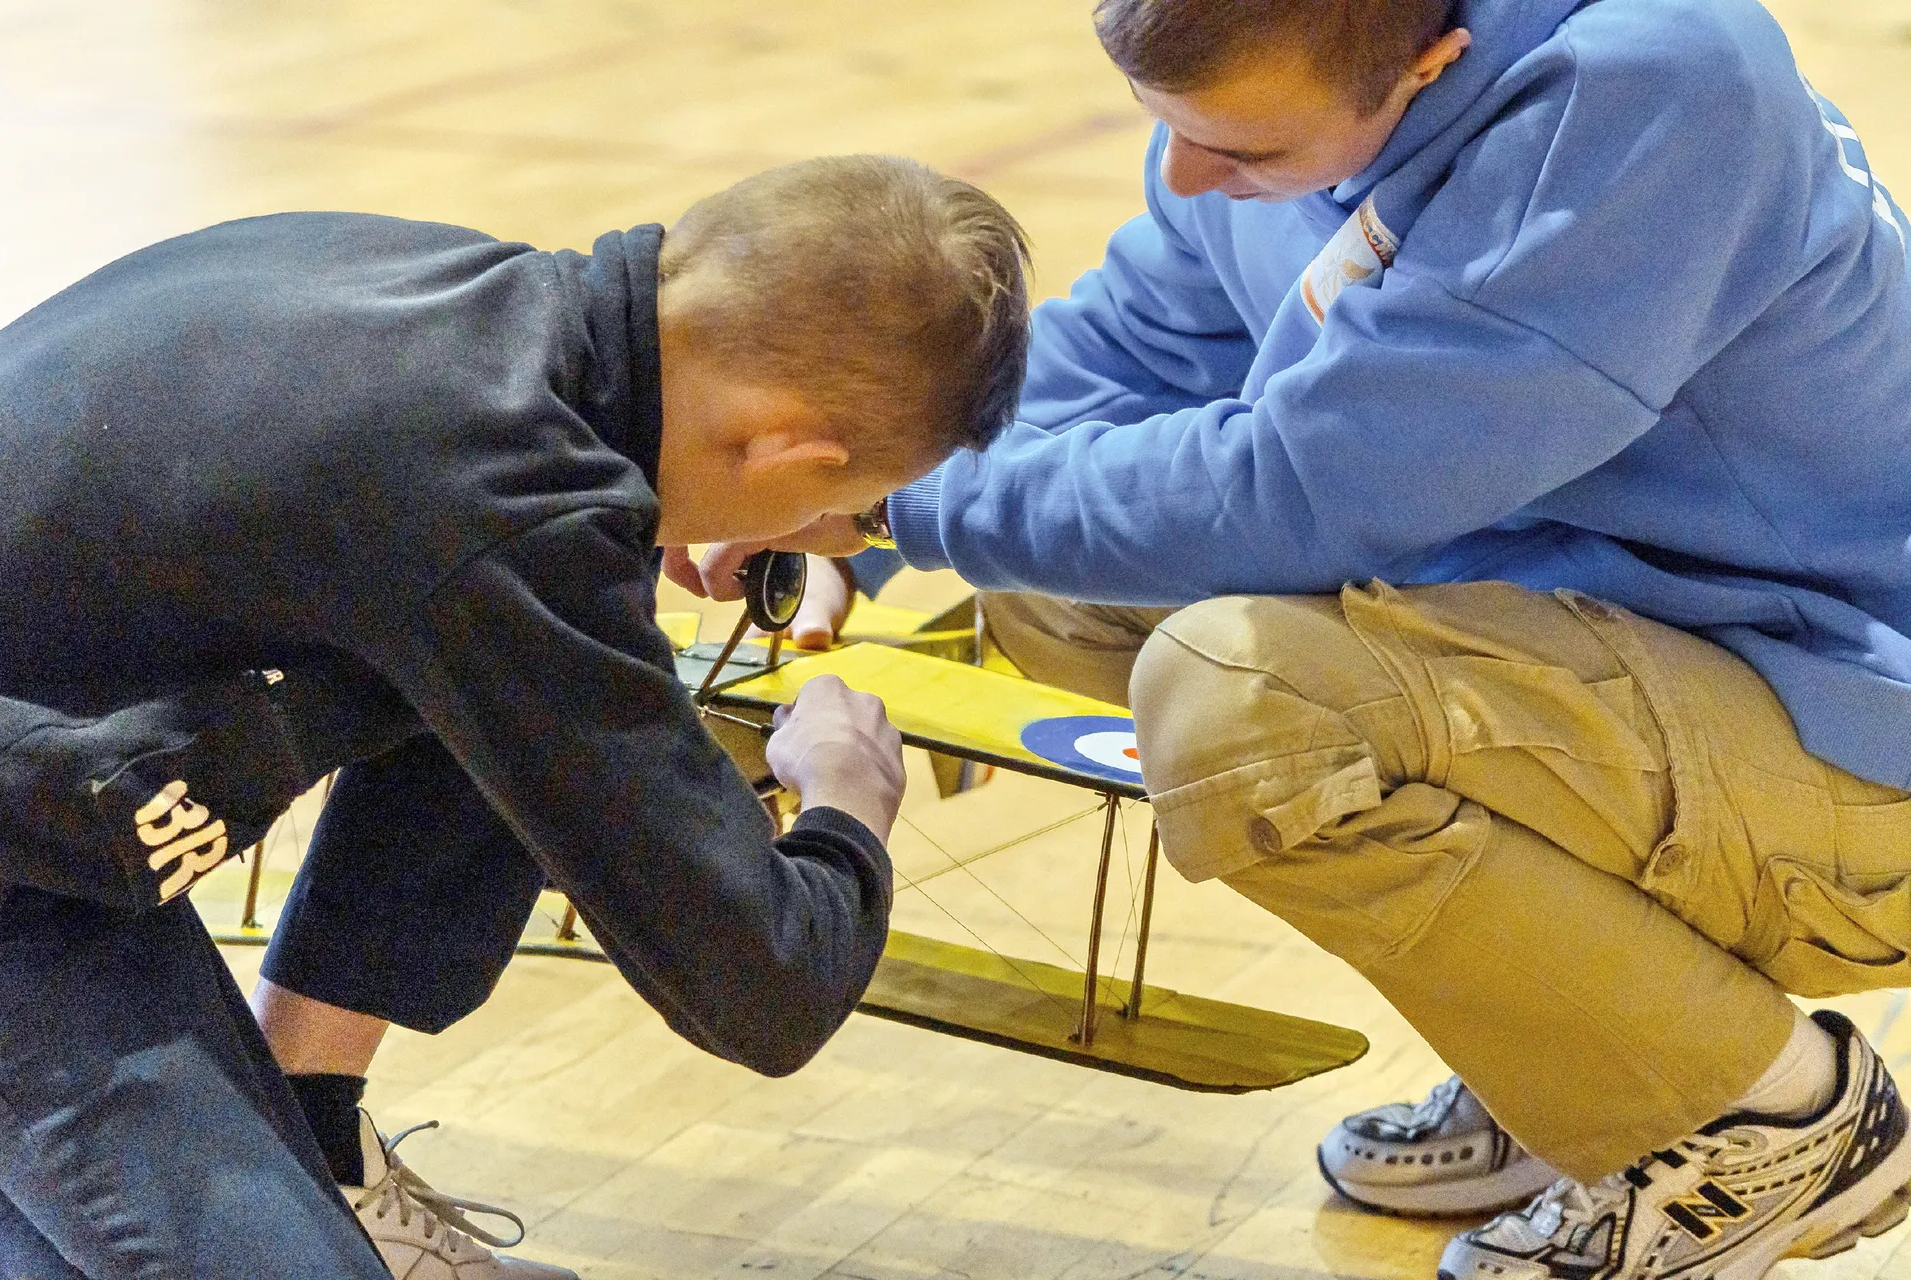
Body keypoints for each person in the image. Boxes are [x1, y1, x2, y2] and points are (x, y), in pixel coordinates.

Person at [676, 2, 1911, 1278]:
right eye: (1168, 126)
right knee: (1051, 585)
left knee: (1245, 703)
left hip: (1850, 725)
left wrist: (888, 500)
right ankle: (1590, 1059)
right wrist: (845, 503)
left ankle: (1766, 1114)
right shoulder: (1302, 80)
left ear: (1434, 66)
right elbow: (1115, 361)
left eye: (1247, 154)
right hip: (1632, 650)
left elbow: (1306, 490)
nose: (1188, 178)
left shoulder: (1655, 95)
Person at [0, 153, 1031, 1279]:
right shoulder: (509, 513)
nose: (830, 536)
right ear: (785, 446)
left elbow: (459, 542)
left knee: (522, 677)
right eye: (848, 511)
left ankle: (313, 1119)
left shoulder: (449, 302)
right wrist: (846, 801)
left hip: (41, 774)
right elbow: (766, 988)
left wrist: (651, 524)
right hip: (23, 861)